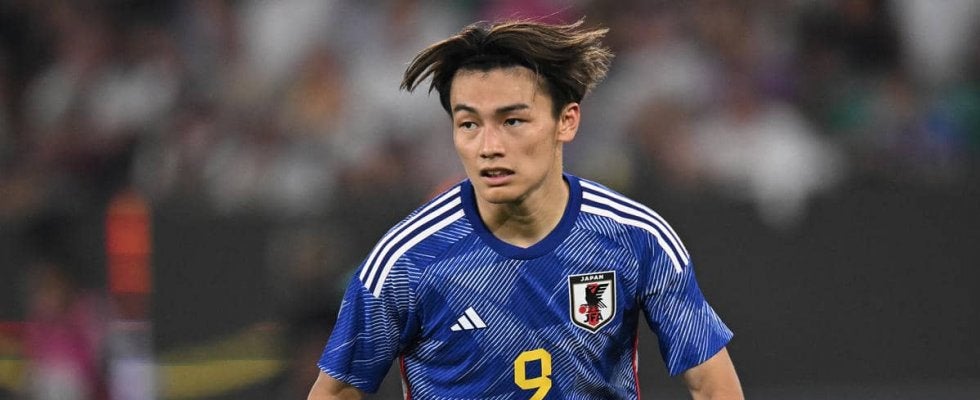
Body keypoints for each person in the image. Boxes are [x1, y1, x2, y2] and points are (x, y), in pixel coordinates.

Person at [308, 19, 742, 399]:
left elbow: (713, 385)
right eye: (469, 124)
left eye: (512, 121)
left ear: (566, 121)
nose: (488, 147)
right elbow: (336, 390)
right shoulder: (407, 259)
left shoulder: (636, 238)